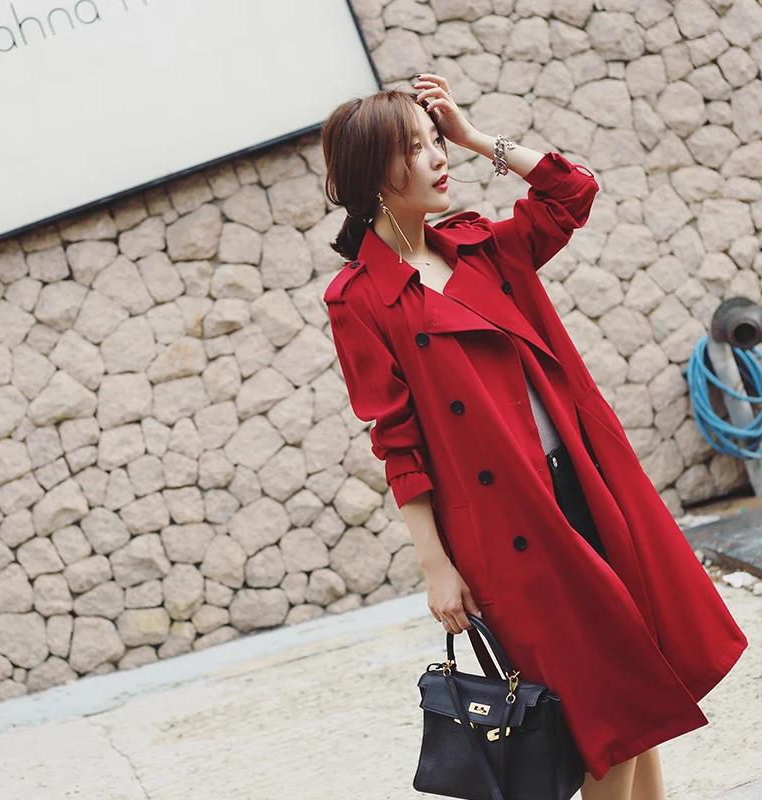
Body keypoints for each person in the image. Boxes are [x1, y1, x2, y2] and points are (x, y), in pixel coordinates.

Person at [320, 76, 748, 800]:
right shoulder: (361, 298)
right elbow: (397, 441)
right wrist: (436, 567)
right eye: (417, 149)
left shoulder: (481, 247)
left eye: (436, 142)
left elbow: (571, 191)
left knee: (636, 689)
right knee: (596, 718)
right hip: (508, 528)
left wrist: (475, 137)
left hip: (585, 487)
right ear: (374, 174)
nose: (438, 159)